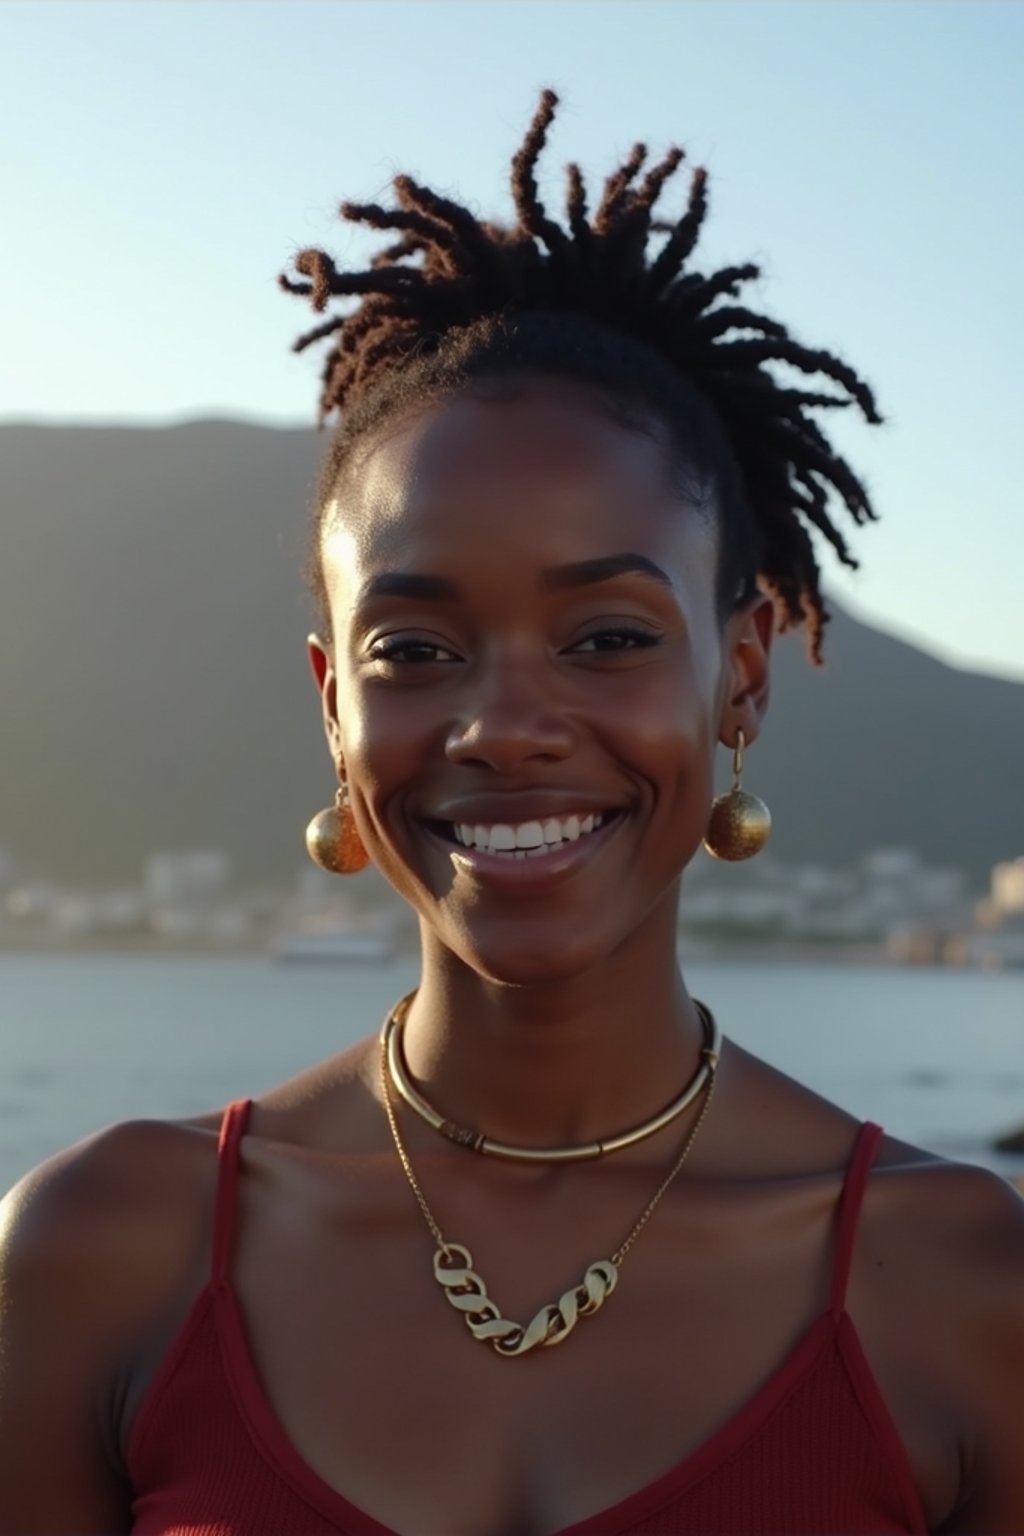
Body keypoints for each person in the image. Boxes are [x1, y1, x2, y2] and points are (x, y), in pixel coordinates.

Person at [1, 90, 1022, 1536]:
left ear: (739, 674)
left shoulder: (963, 1286)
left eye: (607, 637)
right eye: (414, 652)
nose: (506, 726)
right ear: (331, 708)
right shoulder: (105, 1251)